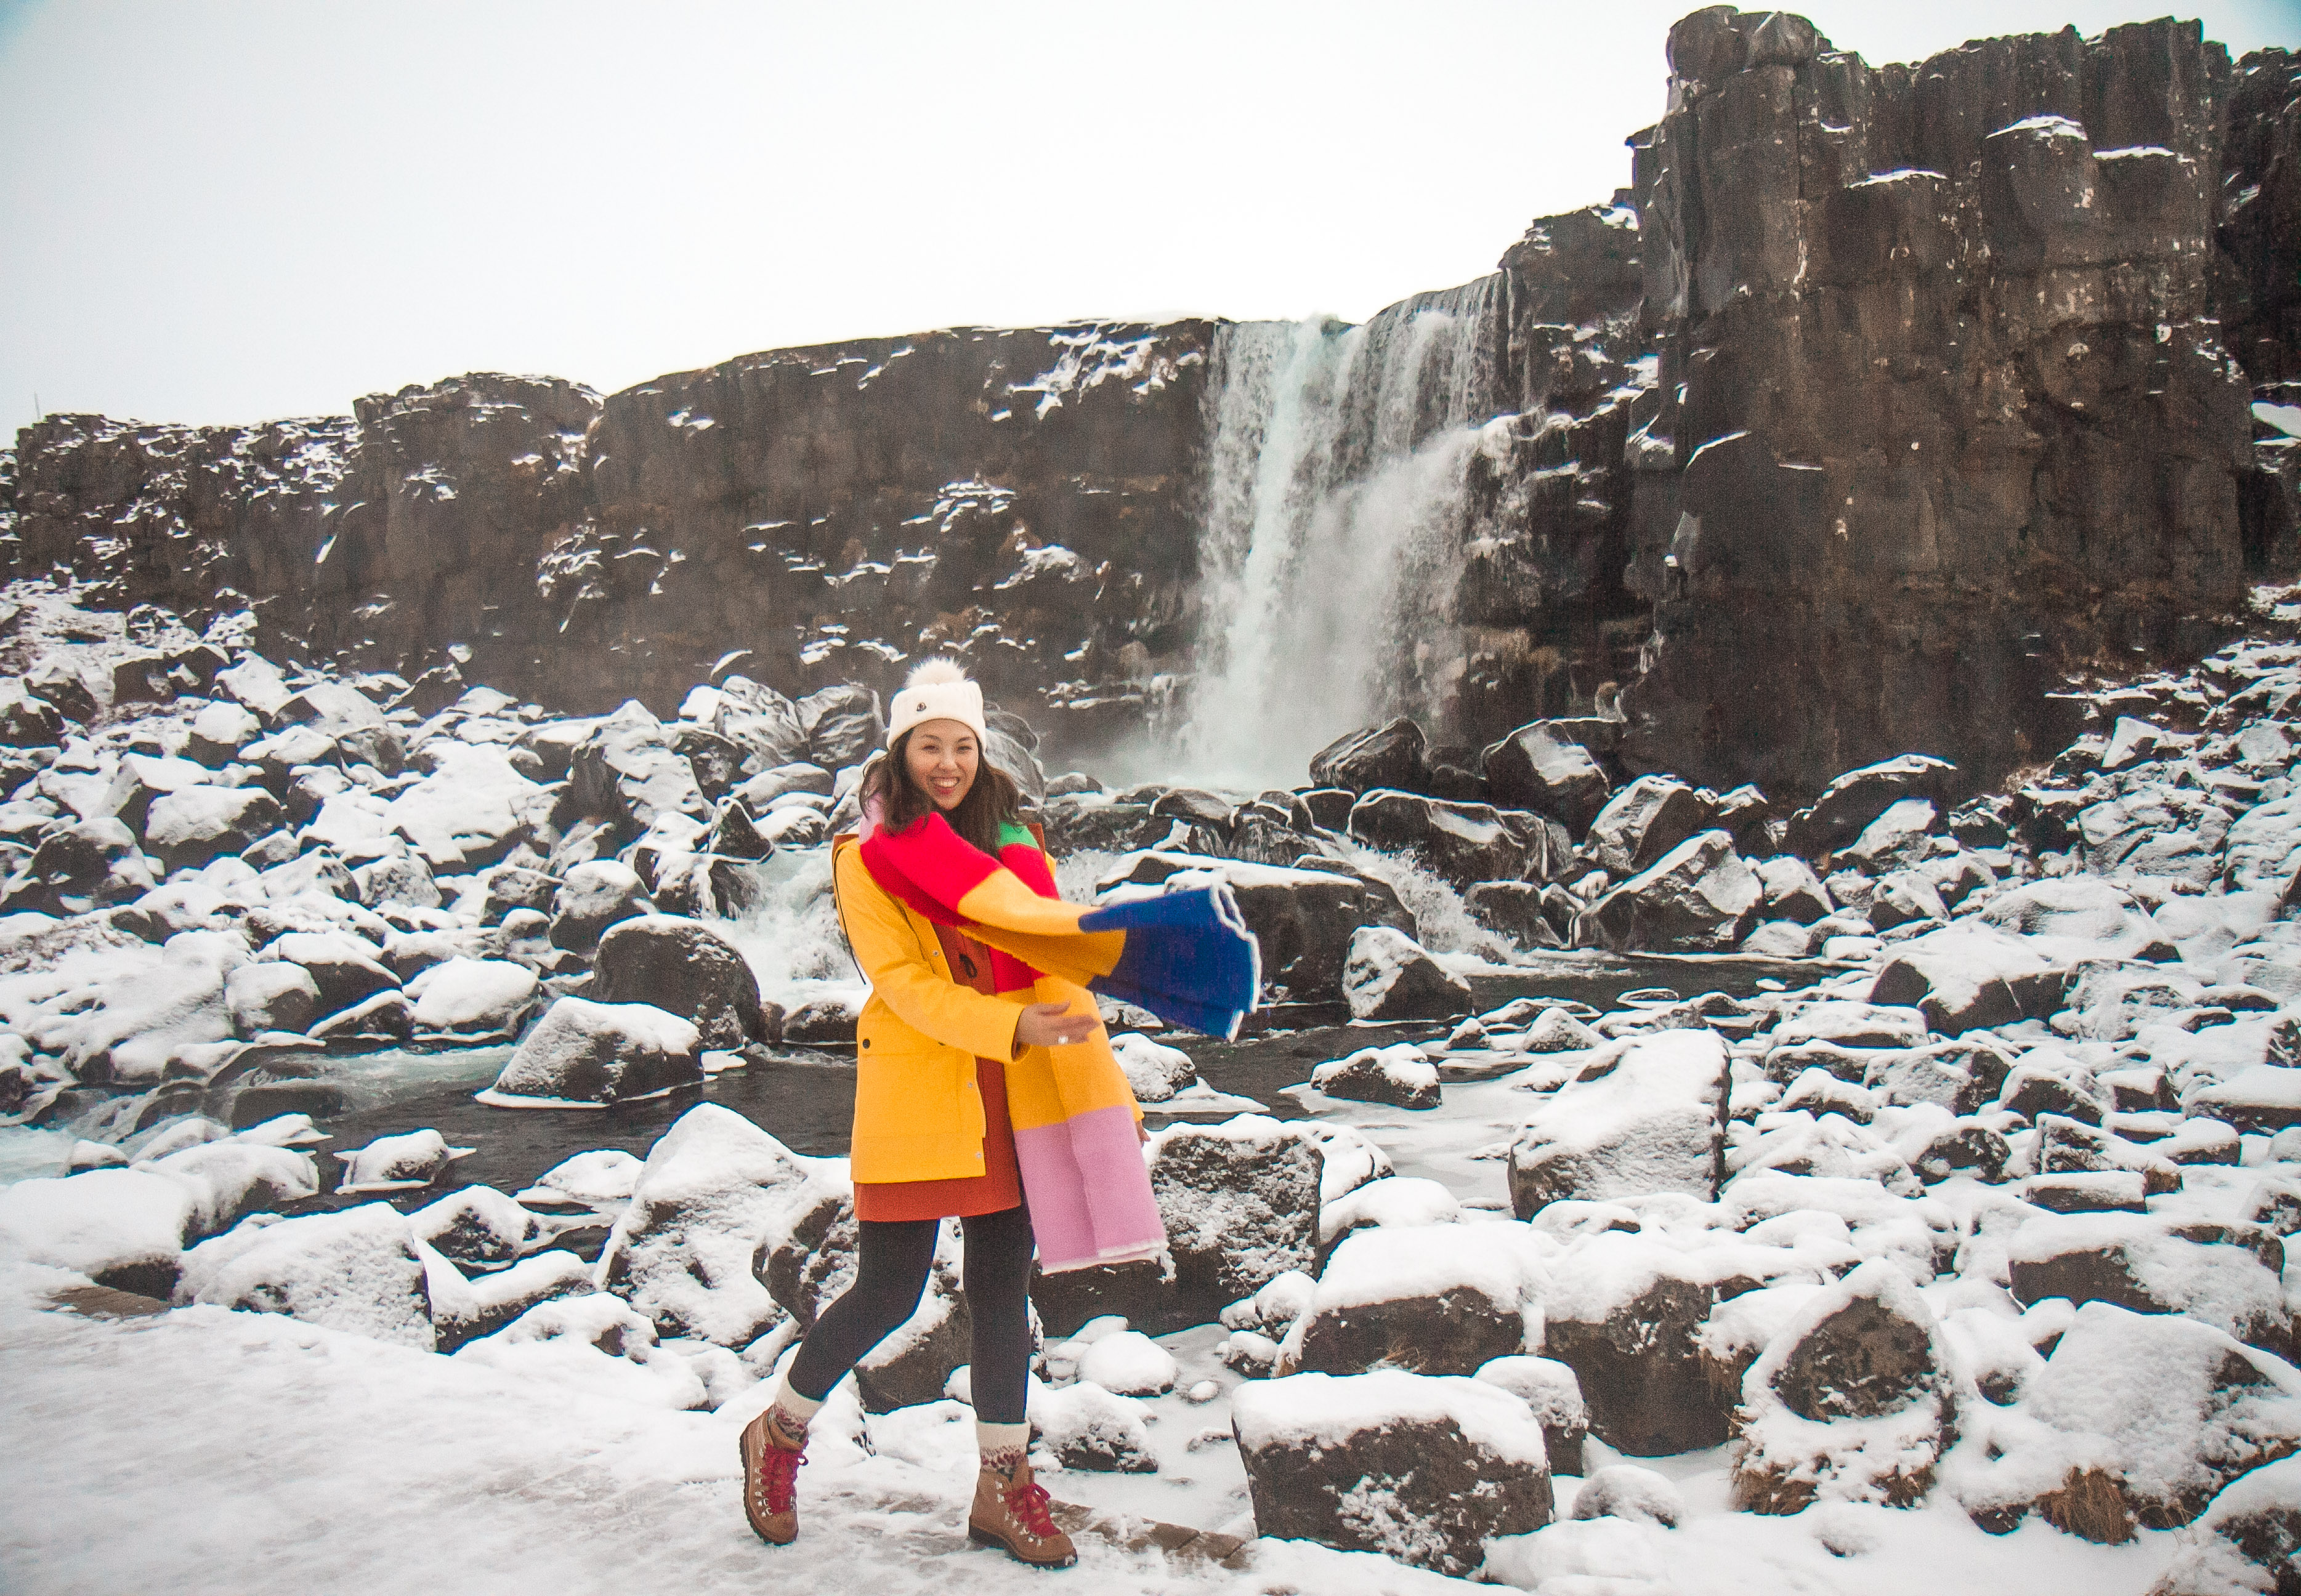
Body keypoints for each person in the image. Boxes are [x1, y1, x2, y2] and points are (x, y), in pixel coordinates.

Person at [737, 658, 1127, 1570]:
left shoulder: (1017, 844)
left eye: (961, 746)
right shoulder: (864, 860)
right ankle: (779, 1433)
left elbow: (1052, 951)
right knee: (889, 1290)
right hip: (925, 1088)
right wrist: (1014, 1022)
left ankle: (1002, 1487)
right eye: (928, 746)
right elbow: (904, 987)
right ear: (901, 753)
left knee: (1002, 1292)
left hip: (1019, 1087)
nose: (946, 763)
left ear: (981, 753)